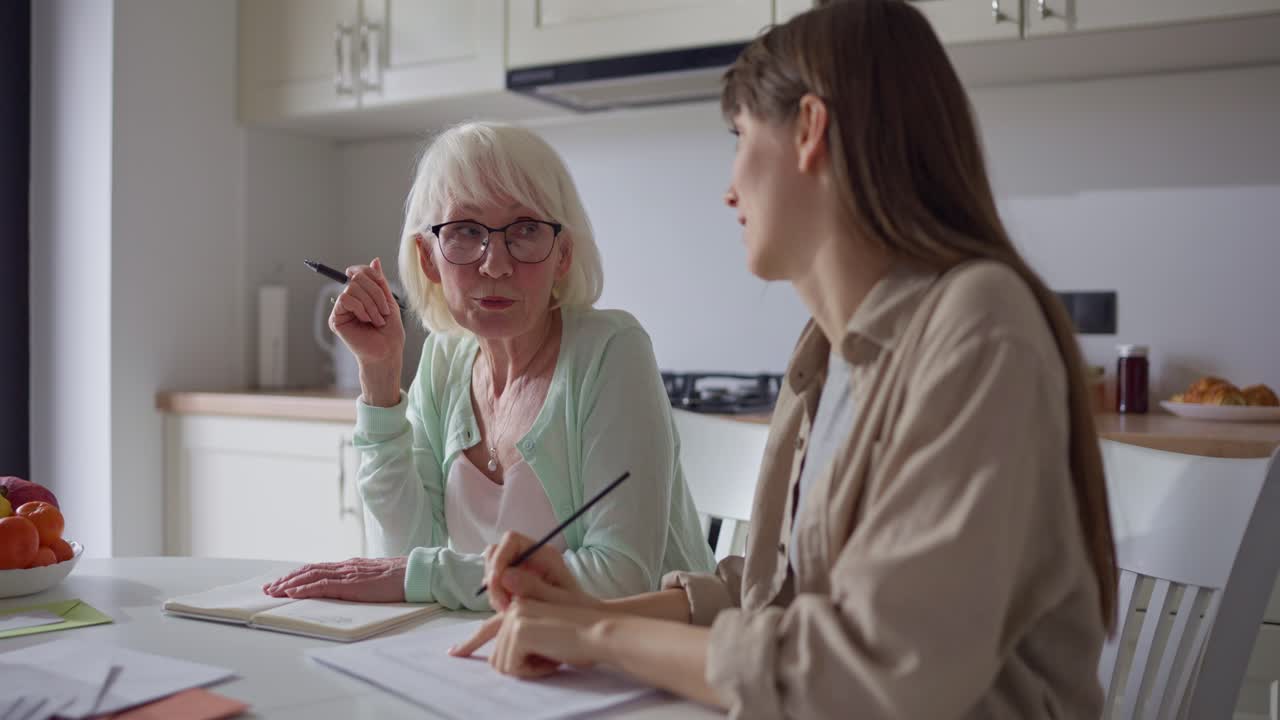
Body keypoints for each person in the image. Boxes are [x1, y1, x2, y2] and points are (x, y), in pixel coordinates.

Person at [450, 2, 1118, 717]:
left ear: (808, 129)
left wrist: (604, 636)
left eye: (740, 137)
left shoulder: (980, 327)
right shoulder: (827, 351)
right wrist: (586, 613)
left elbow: (878, 670)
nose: (729, 187)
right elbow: (785, 592)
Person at [265, 122, 715, 610]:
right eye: (465, 231)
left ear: (563, 254)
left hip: (643, 665)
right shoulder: (444, 359)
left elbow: (621, 578)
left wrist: (427, 574)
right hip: (500, 659)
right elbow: (399, 555)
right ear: (429, 258)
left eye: (525, 230)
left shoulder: (612, 351)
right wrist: (380, 375)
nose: (496, 263)